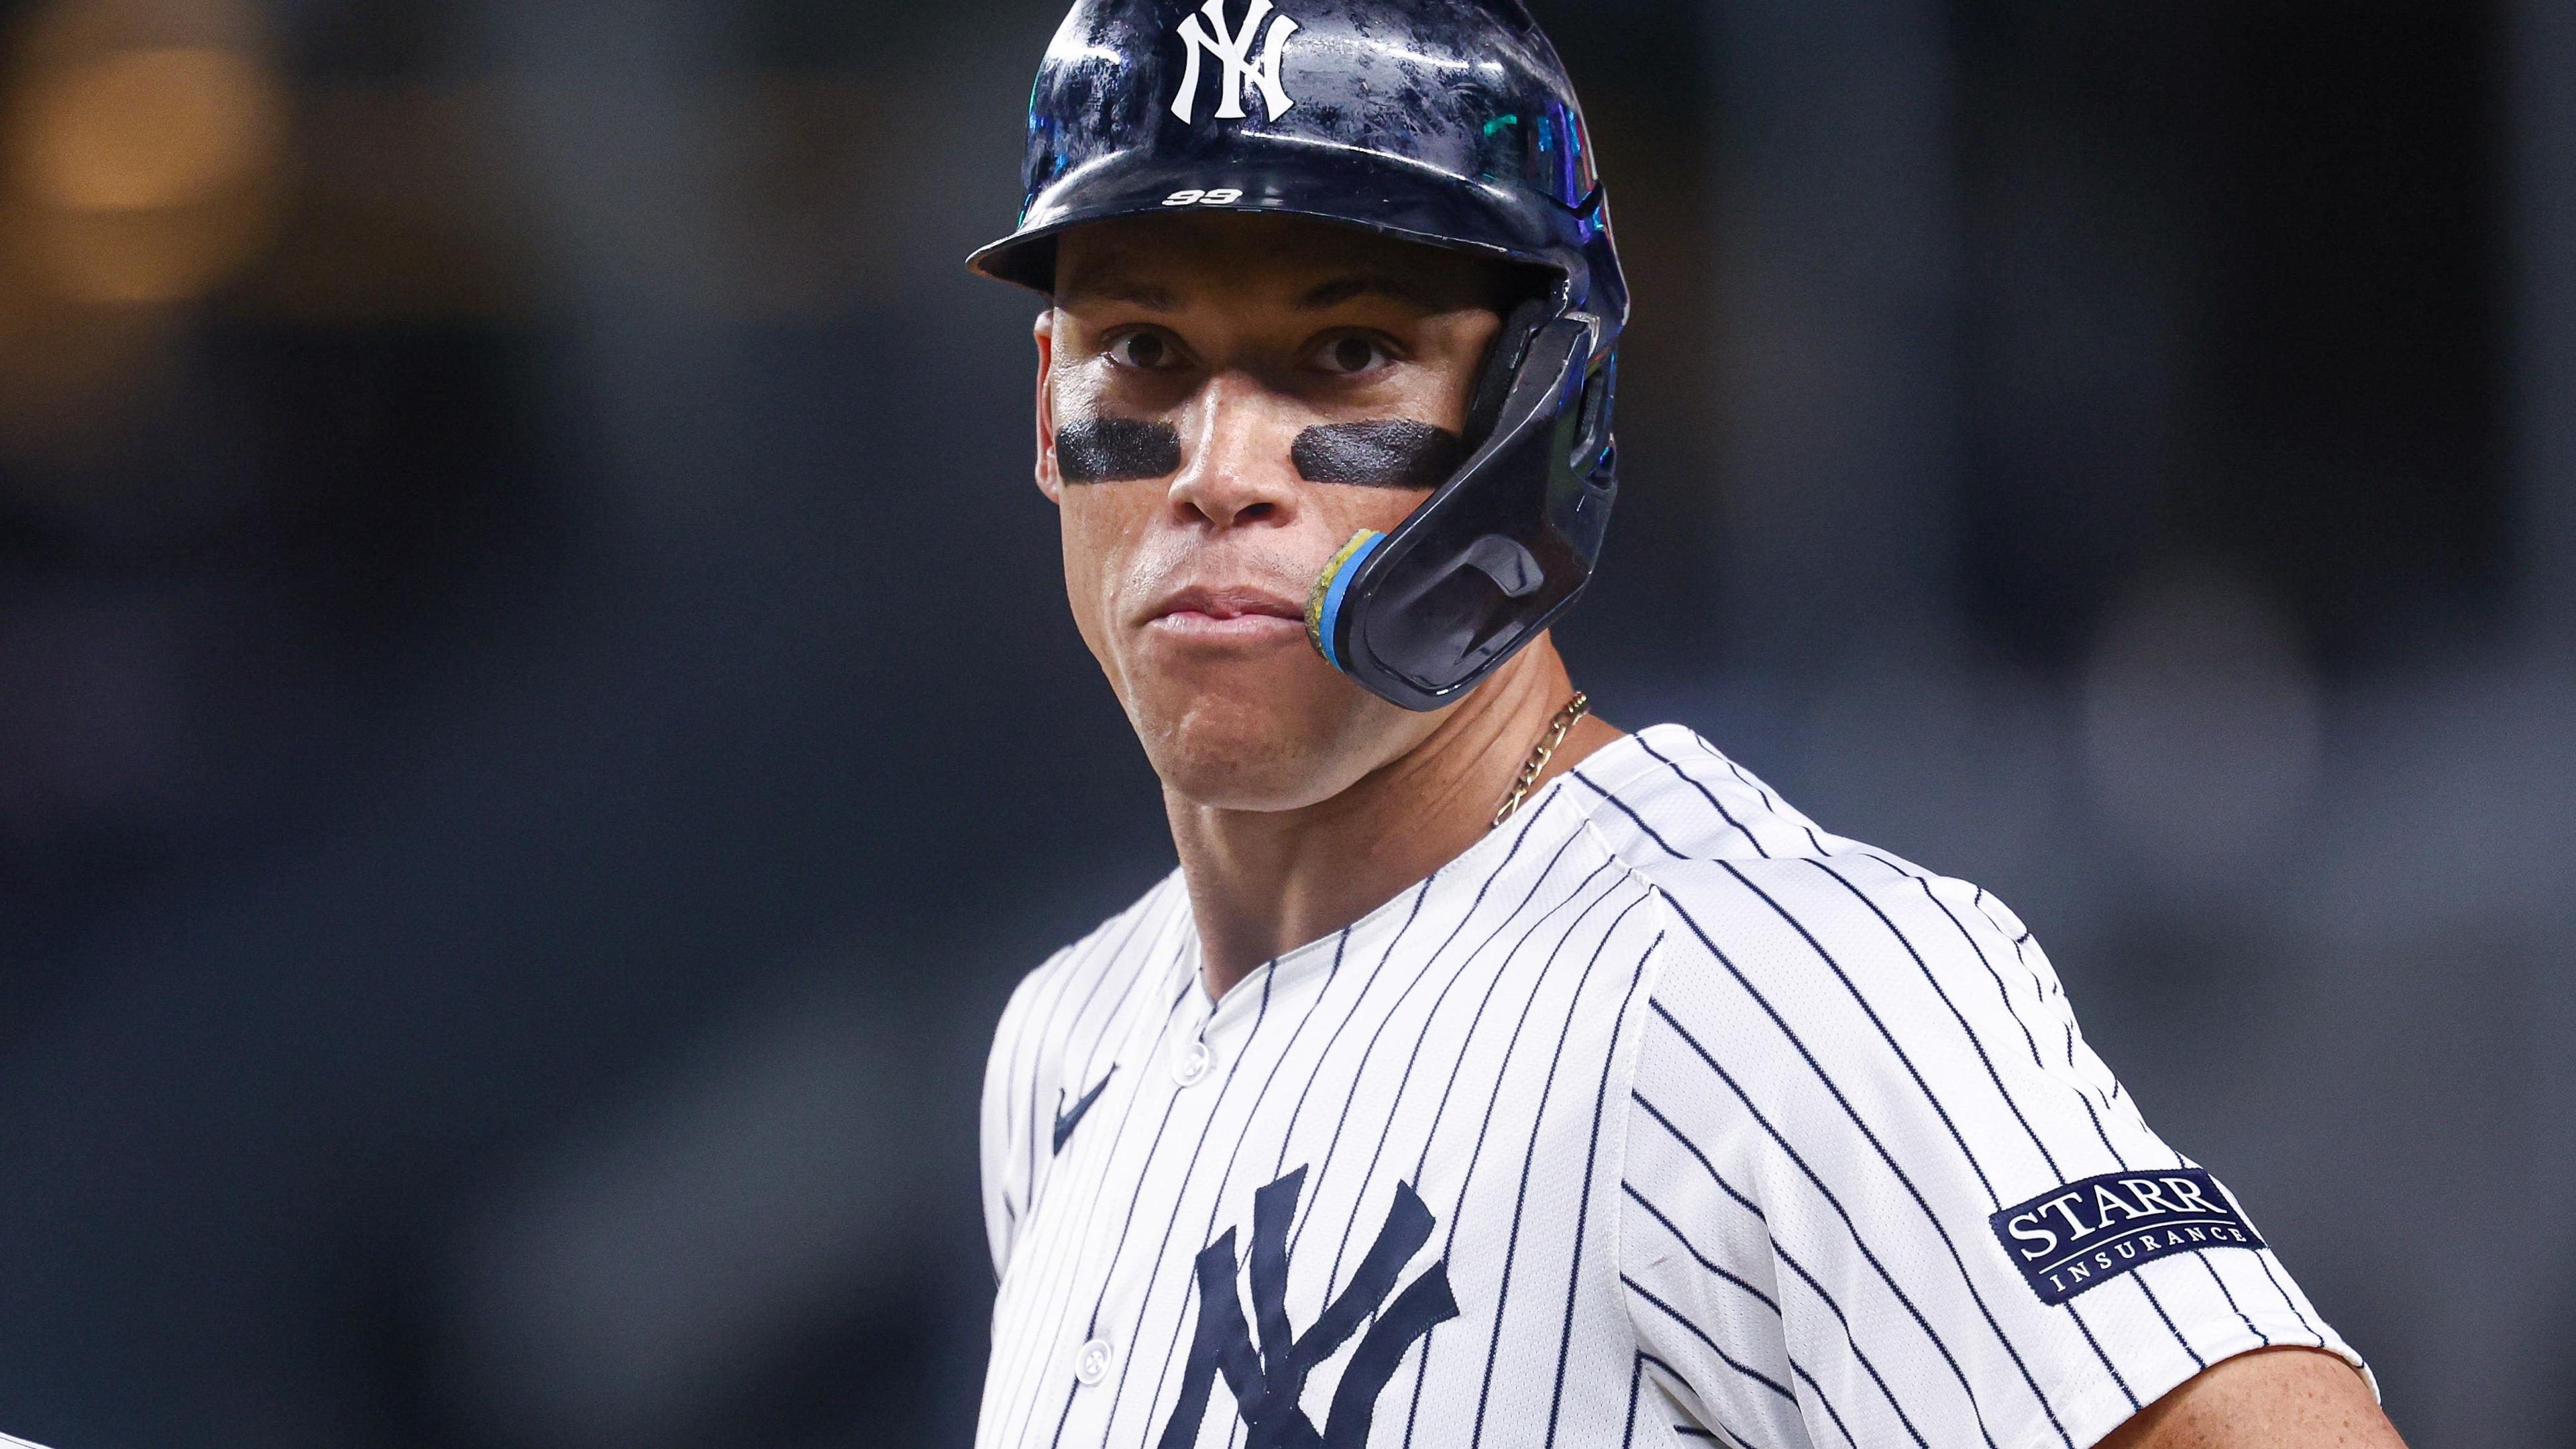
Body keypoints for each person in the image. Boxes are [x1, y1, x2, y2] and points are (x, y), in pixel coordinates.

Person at [969, 3, 2408, 1446]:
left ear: (1543, 417)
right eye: (1145, 347)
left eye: (1345, 352)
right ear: (1049, 410)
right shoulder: (1066, 1045)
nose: (1220, 473)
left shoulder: (1766, 988)